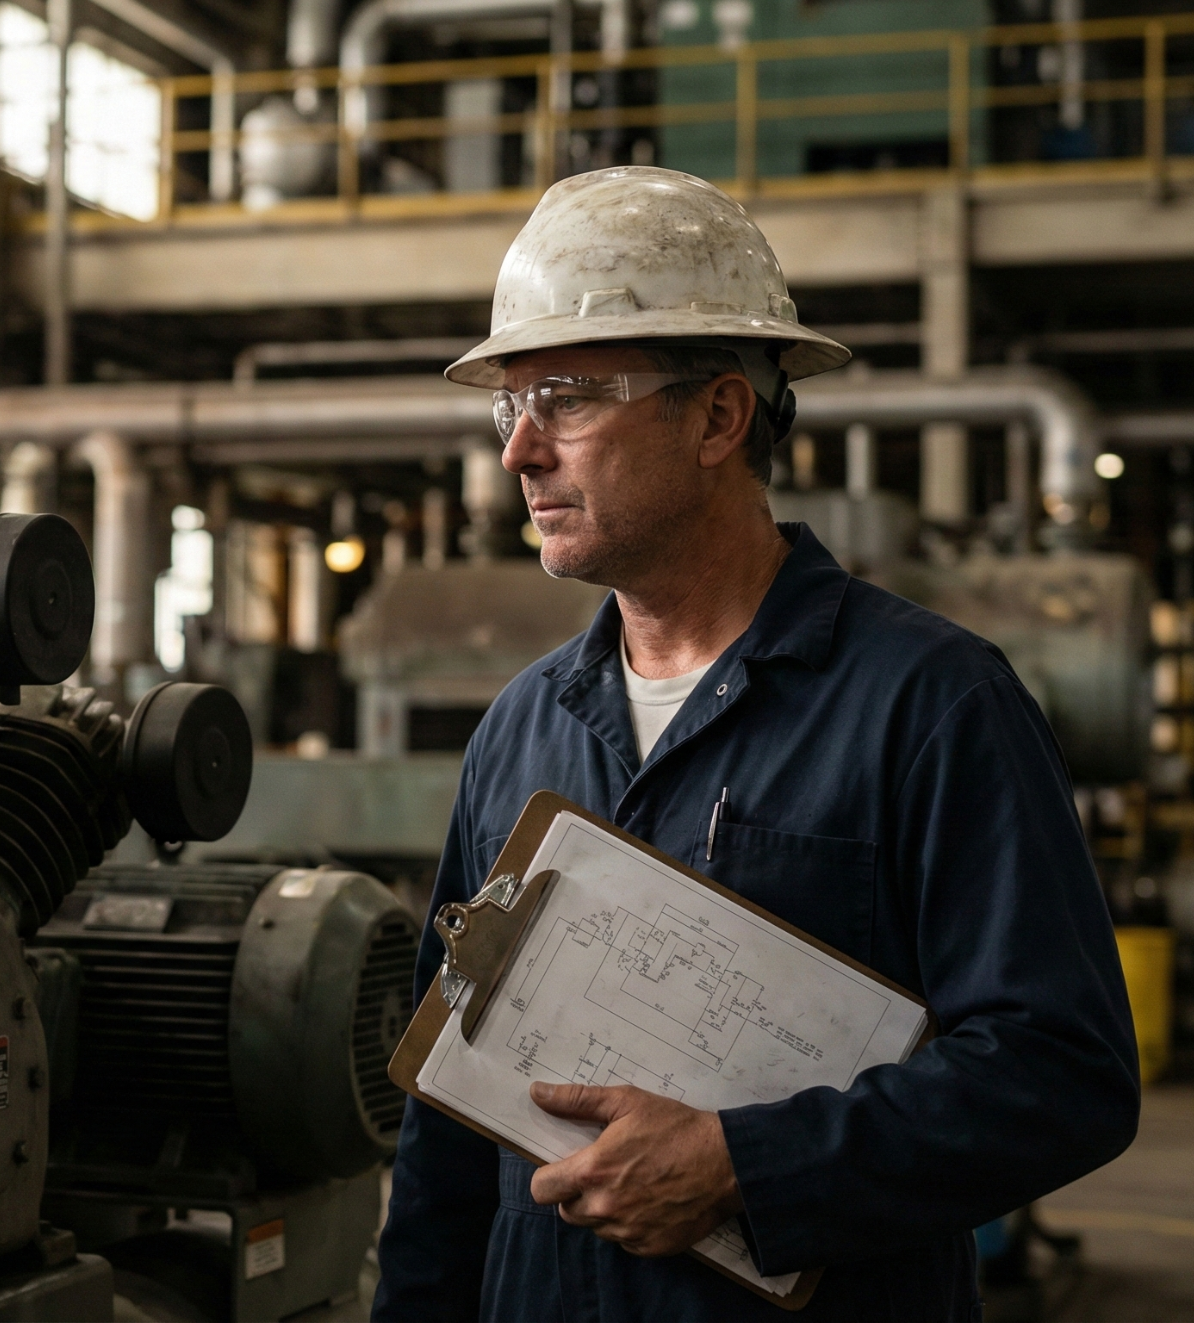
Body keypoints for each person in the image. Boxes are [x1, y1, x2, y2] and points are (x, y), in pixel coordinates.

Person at [370, 166, 1139, 1321]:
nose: (520, 452)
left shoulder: (930, 706)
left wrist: (747, 1166)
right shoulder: (522, 728)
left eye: (568, 397)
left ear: (720, 416)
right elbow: (447, 1116)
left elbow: (1062, 1074)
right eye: (508, 406)